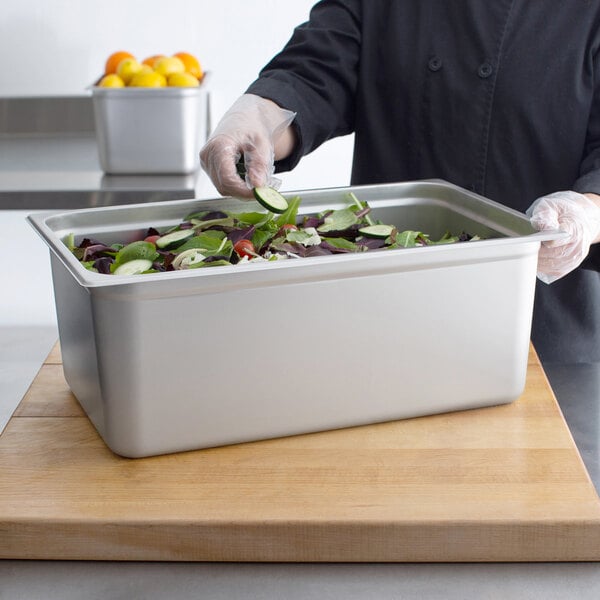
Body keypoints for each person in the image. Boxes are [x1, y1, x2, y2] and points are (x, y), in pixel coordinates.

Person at [200, 0, 600, 364]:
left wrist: (588, 211)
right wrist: (260, 118)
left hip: (541, 328)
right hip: (384, 317)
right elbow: (316, 70)